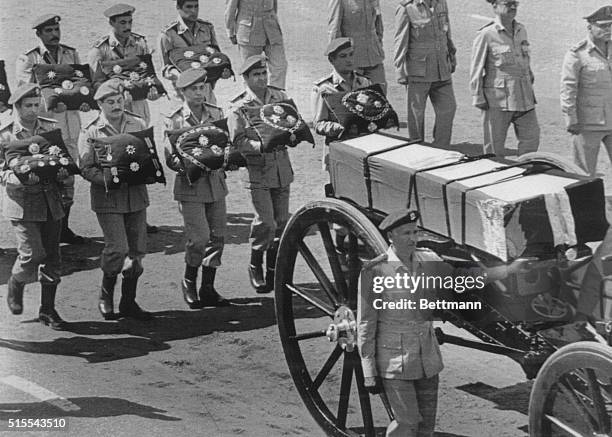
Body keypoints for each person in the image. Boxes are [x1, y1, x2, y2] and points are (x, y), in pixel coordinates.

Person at [358, 209, 526, 436]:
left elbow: (462, 278)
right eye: (405, 233)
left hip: (428, 359)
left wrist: (505, 271)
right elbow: (366, 324)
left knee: (426, 427)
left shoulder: (428, 260)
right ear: (391, 236)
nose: (412, 238)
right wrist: (369, 371)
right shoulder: (375, 271)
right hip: (393, 363)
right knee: (407, 422)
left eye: (415, 232)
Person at [78, 79, 152, 321]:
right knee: (117, 248)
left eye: (119, 100)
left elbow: (148, 156)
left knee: (137, 252)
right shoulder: (91, 130)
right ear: (99, 104)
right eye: (110, 102)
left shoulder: (137, 123)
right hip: (108, 198)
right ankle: (105, 295)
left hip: (136, 197)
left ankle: (129, 301)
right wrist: (108, 180)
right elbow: (86, 167)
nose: (116, 105)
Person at [0, 84, 69, 329]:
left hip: (50, 198)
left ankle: (48, 309)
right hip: (21, 201)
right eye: (27, 105)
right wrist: (15, 177)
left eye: (35, 104)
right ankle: (16, 282)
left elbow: (63, 157)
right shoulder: (4, 133)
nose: (32, 110)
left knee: (53, 256)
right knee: (32, 254)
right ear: (16, 107)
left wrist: (63, 173)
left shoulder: (49, 127)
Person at [16, 13, 87, 244]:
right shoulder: (28, 58)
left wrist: (83, 97)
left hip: (70, 122)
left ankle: (63, 227)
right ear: (38, 33)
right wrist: (53, 98)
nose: (54, 35)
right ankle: (47, 229)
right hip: (46, 126)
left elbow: (79, 81)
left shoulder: (70, 52)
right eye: (48, 31)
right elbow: (27, 92)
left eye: (56, 30)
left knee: (68, 175)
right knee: (47, 171)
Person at [163, 68, 230, 308]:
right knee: (199, 237)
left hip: (216, 184)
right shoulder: (175, 119)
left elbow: (225, 143)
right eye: (193, 89)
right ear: (182, 92)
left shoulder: (216, 113)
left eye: (202, 87)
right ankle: (189, 281)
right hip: (191, 186)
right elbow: (170, 156)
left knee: (218, 236)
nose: (199, 92)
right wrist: (189, 166)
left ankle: (208, 287)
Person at [227, 55, 294, 293]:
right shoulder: (240, 105)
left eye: (264, 72)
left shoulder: (280, 97)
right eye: (256, 74)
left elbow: (292, 123)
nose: (262, 78)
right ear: (245, 78)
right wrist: (259, 147)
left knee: (282, 221)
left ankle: (274, 270)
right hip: (257, 170)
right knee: (265, 221)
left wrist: (293, 134)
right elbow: (237, 140)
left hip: (281, 168)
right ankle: (255, 264)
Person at [469, 0, 539, 157]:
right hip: (498, 100)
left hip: (524, 97)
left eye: (515, 3)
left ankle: (525, 172)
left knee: (531, 139)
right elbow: (476, 69)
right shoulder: (486, 34)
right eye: (508, 3)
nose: (513, 7)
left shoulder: (521, 30)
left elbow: (525, 59)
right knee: (495, 147)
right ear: (495, 6)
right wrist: (477, 96)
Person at [393, 0, 457, 148]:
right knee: (417, 114)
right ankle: (417, 146)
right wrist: (399, 68)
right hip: (419, 70)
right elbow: (400, 40)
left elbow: (446, 31)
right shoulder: (406, 8)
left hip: (442, 67)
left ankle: (441, 146)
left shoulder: (441, 3)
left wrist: (452, 56)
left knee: (449, 108)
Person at [87, 3, 160, 126]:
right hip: (113, 108)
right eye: (122, 23)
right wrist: (116, 94)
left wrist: (153, 91)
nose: (128, 26)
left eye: (130, 22)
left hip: (139, 105)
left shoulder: (140, 44)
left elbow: (148, 74)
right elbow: (96, 84)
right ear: (111, 23)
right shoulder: (99, 50)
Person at [561, 5, 612, 176]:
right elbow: (568, 88)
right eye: (603, 26)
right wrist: (570, 118)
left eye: (611, 25)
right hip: (588, 123)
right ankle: (585, 204)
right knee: (584, 174)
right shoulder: (577, 54)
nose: (608, 30)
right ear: (590, 27)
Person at [312, 37, 372, 148]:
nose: (349, 60)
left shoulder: (364, 83)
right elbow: (318, 124)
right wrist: (339, 127)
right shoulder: (324, 88)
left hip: (363, 144)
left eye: (351, 54)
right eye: (343, 56)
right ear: (332, 60)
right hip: (338, 145)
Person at [159, 0, 219, 104]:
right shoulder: (168, 34)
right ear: (178, 7)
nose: (194, 11)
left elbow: (217, 56)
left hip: (206, 90)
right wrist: (181, 76)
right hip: (182, 93)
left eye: (196, 6)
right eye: (189, 7)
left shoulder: (207, 28)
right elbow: (165, 69)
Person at [225, 0, 288, 89]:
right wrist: (230, 31)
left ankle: (276, 97)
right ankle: (252, 99)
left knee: (280, 66)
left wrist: (273, 19)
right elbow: (230, 8)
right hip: (249, 31)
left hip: (271, 29)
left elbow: (274, 5)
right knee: (250, 69)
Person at [328, 0, 385, 91]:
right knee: (354, 101)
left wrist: (378, 46)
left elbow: (378, 25)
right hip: (353, 62)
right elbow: (334, 32)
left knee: (380, 99)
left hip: (374, 59)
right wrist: (339, 62)